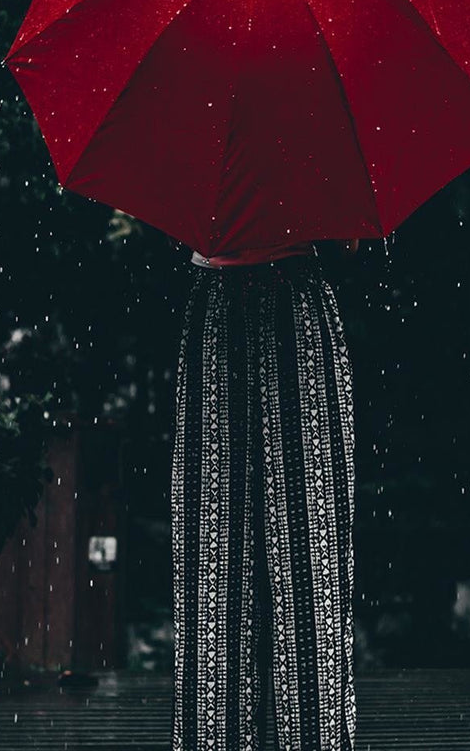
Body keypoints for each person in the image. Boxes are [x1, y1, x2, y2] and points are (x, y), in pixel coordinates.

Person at [168, 235, 359, 751]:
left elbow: (176, 227)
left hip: (228, 301)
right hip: (286, 300)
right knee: (308, 559)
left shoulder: (197, 156)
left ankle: (218, 737)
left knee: (217, 561)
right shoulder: (319, 155)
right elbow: (350, 241)